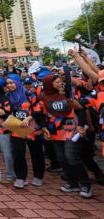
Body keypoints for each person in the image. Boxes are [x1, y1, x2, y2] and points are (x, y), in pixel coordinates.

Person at [40, 70, 93, 198]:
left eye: (60, 81)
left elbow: (80, 110)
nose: (59, 84)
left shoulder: (69, 94)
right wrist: (43, 128)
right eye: (56, 82)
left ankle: (86, 185)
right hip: (55, 131)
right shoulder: (43, 96)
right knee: (62, 158)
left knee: (72, 156)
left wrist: (80, 126)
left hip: (72, 129)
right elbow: (42, 114)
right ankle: (72, 182)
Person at [5, 74, 45, 189]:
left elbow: (38, 109)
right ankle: (21, 177)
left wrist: (29, 118)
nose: (9, 85)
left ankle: (38, 175)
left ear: (18, 82)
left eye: (12, 83)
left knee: (36, 152)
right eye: (8, 83)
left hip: (32, 128)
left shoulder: (30, 94)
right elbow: (6, 110)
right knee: (18, 152)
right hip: (16, 127)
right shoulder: (7, 95)